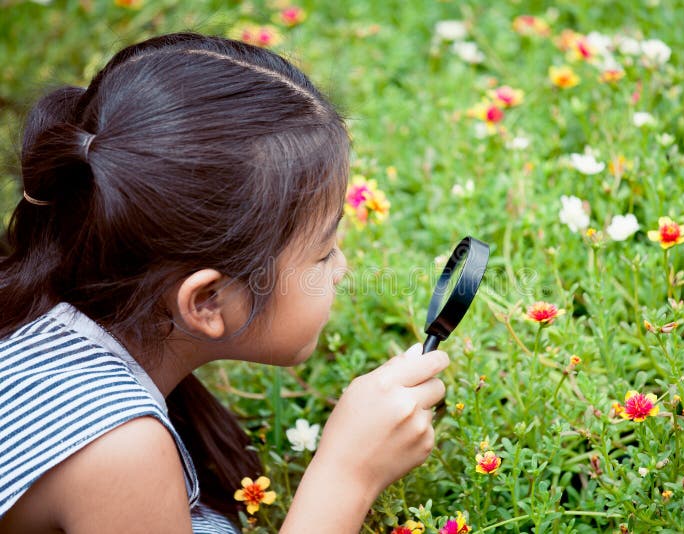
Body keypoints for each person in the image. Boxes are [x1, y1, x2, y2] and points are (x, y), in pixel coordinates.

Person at [0, 32, 449, 533]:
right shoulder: (119, 449)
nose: (342, 267)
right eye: (323, 253)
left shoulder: (48, 292)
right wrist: (348, 473)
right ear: (208, 301)